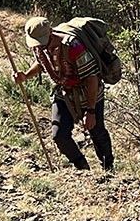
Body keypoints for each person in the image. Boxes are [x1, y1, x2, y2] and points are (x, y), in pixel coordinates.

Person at [13, 16, 114, 171]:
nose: (39, 45)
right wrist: (25, 75)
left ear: (50, 34)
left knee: (97, 131)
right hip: (64, 93)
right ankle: (82, 168)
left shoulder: (73, 46)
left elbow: (91, 78)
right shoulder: (40, 47)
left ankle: (108, 168)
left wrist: (91, 110)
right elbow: (41, 62)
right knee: (59, 134)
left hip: (89, 92)